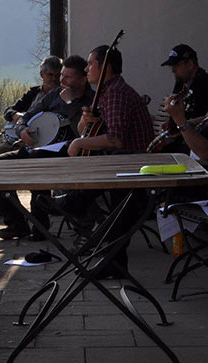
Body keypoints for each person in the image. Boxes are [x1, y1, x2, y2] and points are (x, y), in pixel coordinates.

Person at [62, 45, 154, 278]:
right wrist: (86, 122)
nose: (86, 68)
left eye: (91, 64)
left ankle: (73, 202)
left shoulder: (115, 93)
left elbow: (115, 140)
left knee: (95, 186)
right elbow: (88, 130)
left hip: (133, 167)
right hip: (124, 165)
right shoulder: (107, 92)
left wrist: (79, 143)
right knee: (96, 178)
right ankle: (113, 261)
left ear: (106, 68)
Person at [0, 55, 94, 240]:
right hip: (38, 149)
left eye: (67, 77)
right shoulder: (55, 94)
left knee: (36, 167)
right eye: (60, 75)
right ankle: (17, 224)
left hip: (66, 156)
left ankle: (40, 226)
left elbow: (82, 132)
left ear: (82, 79)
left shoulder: (91, 100)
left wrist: (70, 102)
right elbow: (27, 115)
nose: (60, 80)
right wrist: (22, 130)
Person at [156, 44, 208, 153]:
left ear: (190, 64)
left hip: (194, 147)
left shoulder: (204, 84)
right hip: (181, 143)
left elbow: (204, 119)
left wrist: (184, 123)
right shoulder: (181, 82)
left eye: (176, 65)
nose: (173, 70)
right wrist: (171, 126)